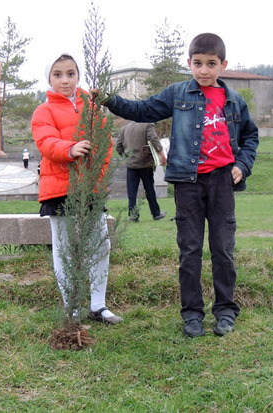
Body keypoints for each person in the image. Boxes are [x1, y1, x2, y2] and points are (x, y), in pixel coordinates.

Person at [98, 33, 259, 337]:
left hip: (223, 182)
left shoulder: (234, 100)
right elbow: (142, 110)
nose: (204, 70)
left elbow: (251, 136)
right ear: (189, 63)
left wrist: (243, 165)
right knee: (190, 250)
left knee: (223, 249)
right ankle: (192, 314)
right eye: (198, 63)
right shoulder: (177, 94)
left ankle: (225, 310)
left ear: (223, 65)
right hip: (187, 183)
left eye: (211, 64)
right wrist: (110, 100)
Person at [31, 53, 122, 324]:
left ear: (78, 76)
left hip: (89, 188)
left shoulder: (91, 108)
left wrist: (99, 177)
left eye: (71, 73)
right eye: (57, 74)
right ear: (48, 78)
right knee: (64, 248)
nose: (65, 80)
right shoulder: (43, 111)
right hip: (59, 189)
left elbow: (104, 145)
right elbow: (45, 142)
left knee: (100, 245)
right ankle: (71, 307)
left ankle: (98, 305)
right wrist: (69, 149)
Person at [116, 121, 167, 222]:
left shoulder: (124, 129)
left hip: (131, 164)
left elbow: (118, 147)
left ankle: (133, 216)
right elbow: (153, 139)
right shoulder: (147, 125)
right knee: (149, 190)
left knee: (132, 192)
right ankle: (156, 213)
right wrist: (161, 153)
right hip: (145, 163)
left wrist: (126, 157)